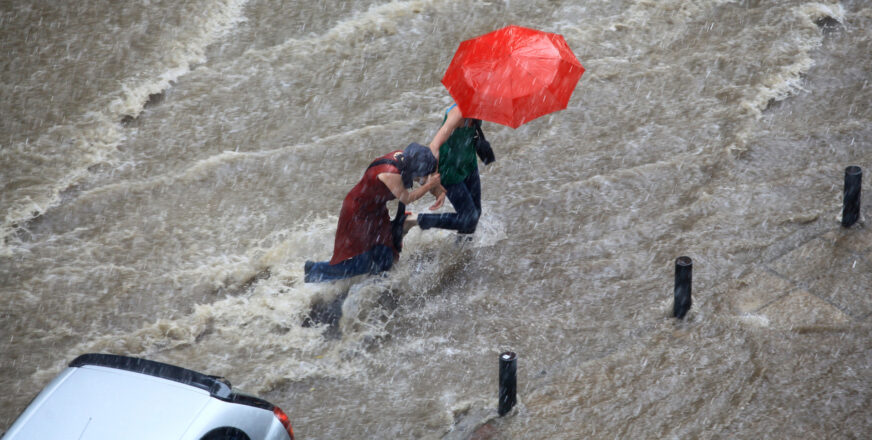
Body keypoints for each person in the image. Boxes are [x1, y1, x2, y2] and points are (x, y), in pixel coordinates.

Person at [304, 143, 439, 283]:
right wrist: (430, 185)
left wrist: (437, 188)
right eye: (422, 175)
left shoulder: (406, 158)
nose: (421, 179)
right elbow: (407, 198)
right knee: (364, 261)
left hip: (375, 209)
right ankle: (315, 271)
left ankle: (374, 282)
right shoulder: (390, 173)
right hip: (358, 213)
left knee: (386, 253)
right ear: (415, 169)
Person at [407, 103, 483, 234]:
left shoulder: (479, 108)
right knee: (469, 219)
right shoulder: (457, 114)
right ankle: (413, 220)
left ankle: (463, 251)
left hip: (469, 164)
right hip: (449, 171)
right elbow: (434, 147)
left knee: (475, 213)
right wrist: (435, 184)